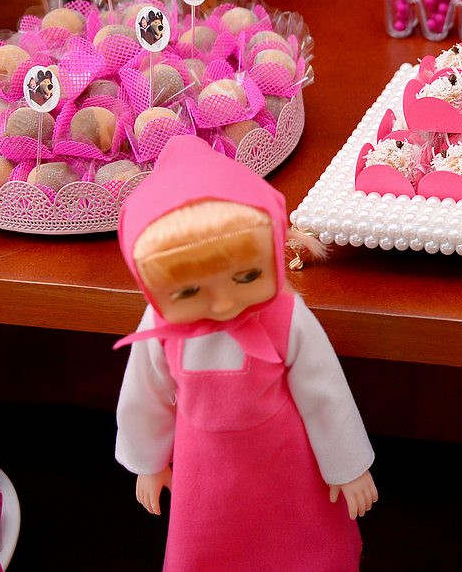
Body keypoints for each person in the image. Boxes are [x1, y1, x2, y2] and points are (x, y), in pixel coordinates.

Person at [114, 136, 377, 571]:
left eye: (247, 276)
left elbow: (323, 391)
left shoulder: (283, 316)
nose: (222, 304)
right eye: (189, 291)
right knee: (211, 543)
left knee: (299, 537)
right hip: (205, 470)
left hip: (283, 459)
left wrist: (347, 466)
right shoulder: (161, 329)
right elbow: (146, 394)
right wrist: (149, 460)